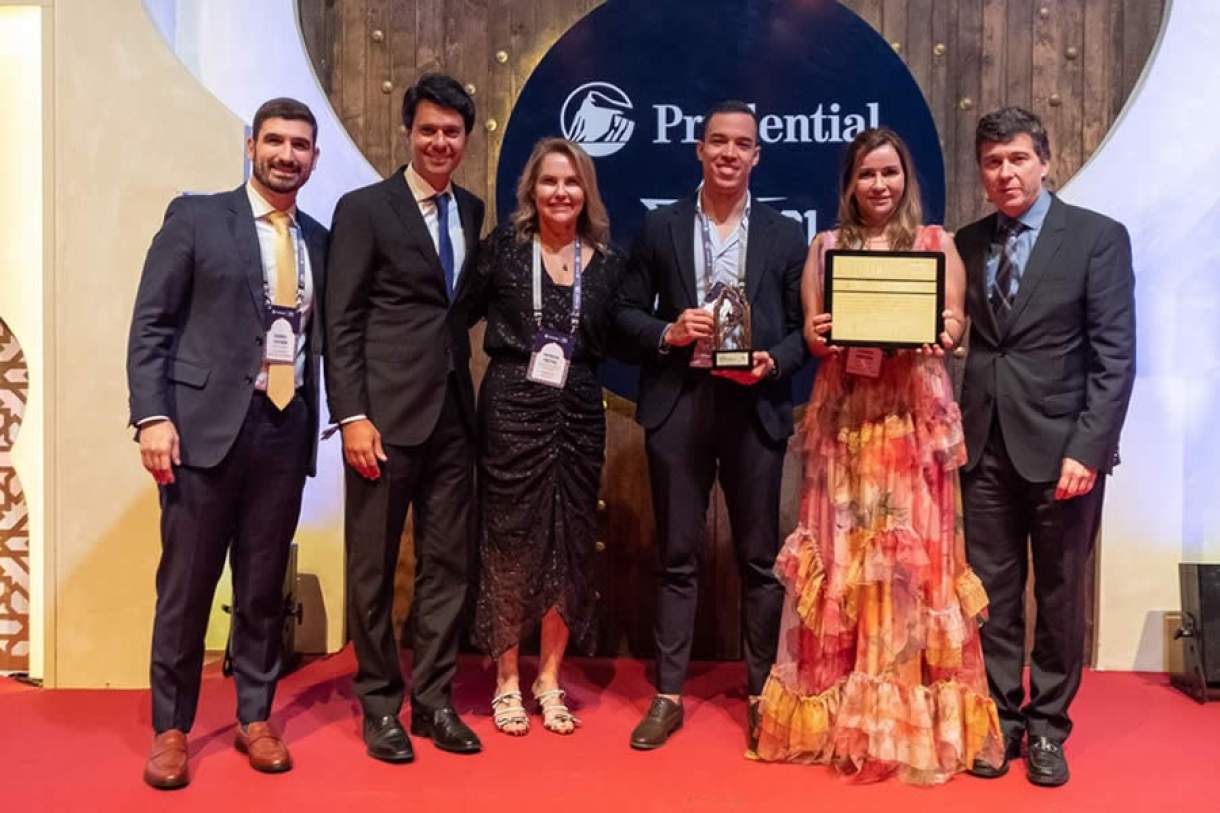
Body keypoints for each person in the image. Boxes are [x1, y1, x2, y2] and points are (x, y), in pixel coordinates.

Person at [753, 127, 1003, 784]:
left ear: (906, 179)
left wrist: (942, 332)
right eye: (866, 174)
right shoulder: (825, 247)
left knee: (912, 568)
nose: (879, 185)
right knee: (843, 562)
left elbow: (954, 326)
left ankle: (905, 722)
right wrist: (823, 333)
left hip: (912, 426)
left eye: (889, 172)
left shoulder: (937, 244)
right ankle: (841, 721)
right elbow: (814, 337)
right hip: (846, 424)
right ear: (850, 184)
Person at [127, 97, 326, 789]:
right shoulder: (197, 217)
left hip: (283, 430)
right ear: (251, 146)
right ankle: (171, 729)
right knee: (185, 588)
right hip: (200, 432)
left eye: (299, 145)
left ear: (314, 158)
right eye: (274, 141)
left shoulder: (320, 239)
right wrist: (152, 416)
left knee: (263, 587)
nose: (286, 155)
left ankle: (255, 716)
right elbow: (151, 324)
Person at [614, 100, 808, 751]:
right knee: (677, 556)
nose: (729, 153)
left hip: (754, 405)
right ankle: (668, 695)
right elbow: (624, 313)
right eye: (718, 141)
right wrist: (669, 330)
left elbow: (803, 333)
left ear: (757, 155)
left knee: (758, 560)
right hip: (681, 401)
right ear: (699, 149)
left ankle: (761, 695)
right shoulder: (660, 224)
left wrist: (771, 361)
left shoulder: (785, 234)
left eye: (741, 144)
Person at [957, 107, 1135, 787]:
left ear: (1045, 161)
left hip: (1064, 452)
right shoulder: (967, 242)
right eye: (993, 162)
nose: (1005, 173)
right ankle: (1002, 719)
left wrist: (1089, 449)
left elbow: (1115, 357)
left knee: (1059, 595)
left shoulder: (1096, 238)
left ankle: (1049, 727)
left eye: (1017, 159)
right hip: (984, 448)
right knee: (993, 593)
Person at [325, 73, 484, 763]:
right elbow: (340, 321)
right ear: (407, 133)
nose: (439, 142)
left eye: (452, 131)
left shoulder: (471, 209)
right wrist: (352, 415)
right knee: (373, 567)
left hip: (453, 415)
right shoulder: (364, 208)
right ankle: (380, 705)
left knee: (448, 565)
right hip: (382, 420)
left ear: (466, 138)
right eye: (428, 130)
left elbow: (455, 309)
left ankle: (435, 701)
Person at [467, 138, 624, 736]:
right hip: (512, 404)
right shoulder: (503, 250)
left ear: (587, 192)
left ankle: (549, 678)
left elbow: (624, 336)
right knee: (510, 539)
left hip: (578, 407)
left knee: (569, 539)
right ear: (531, 189)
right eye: (550, 181)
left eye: (572, 182)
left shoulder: (606, 264)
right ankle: (507, 679)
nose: (561, 192)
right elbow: (455, 316)